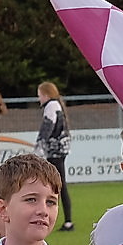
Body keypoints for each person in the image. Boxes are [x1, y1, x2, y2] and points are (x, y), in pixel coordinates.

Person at [35, 82, 75, 233]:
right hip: (60, 149)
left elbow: (48, 127)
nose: (39, 99)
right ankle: (67, 221)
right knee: (59, 184)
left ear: (45, 95)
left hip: (55, 151)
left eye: (39, 95)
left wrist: (39, 144)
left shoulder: (51, 106)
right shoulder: (56, 105)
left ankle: (66, 221)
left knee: (58, 185)